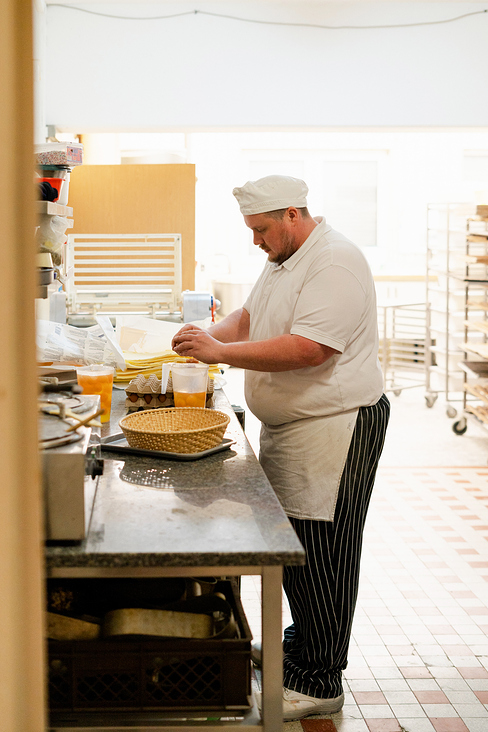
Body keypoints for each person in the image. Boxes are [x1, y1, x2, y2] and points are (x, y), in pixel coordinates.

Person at [172, 175, 390, 721]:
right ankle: (300, 649)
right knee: (296, 549)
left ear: (292, 215)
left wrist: (221, 351)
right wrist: (205, 336)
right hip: (297, 428)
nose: (255, 241)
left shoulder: (334, 262)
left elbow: (310, 348)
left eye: (261, 229)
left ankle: (320, 680)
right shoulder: (284, 260)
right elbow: (251, 319)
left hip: (335, 426)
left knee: (325, 553)